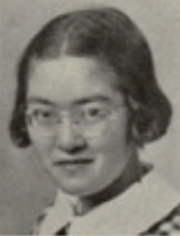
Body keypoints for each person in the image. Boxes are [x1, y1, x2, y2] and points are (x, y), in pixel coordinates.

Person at [9, 6, 180, 235]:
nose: (68, 141)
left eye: (92, 113)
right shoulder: (50, 224)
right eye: (45, 115)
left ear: (138, 112)